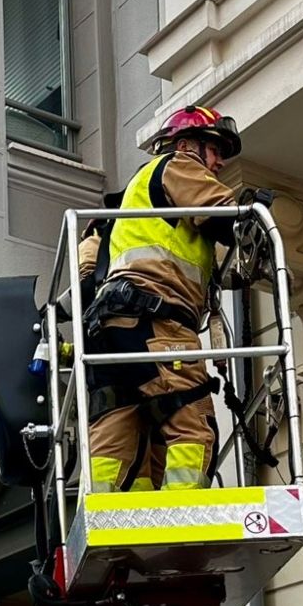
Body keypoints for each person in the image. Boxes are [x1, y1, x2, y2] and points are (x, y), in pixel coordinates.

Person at [84, 105, 243, 493]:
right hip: (157, 319)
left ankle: (113, 518)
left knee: (126, 431)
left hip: (110, 327)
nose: (219, 162)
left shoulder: (118, 218)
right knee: (192, 418)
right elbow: (225, 216)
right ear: (187, 145)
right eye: (214, 148)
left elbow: (86, 284)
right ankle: (184, 516)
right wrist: (255, 215)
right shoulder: (178, 165)